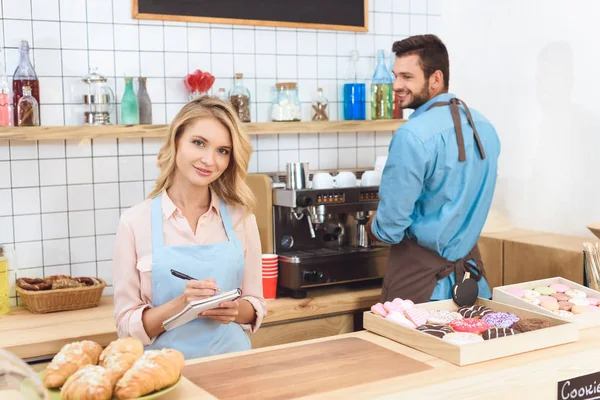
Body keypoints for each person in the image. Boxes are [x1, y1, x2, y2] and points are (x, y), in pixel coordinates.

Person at [112, 96, 266, 359]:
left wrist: (235, 310)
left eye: (222, 151)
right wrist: (182, 305)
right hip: (164, 374)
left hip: (234, 365)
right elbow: (126, 327)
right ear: (176, 141)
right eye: (199, 143)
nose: (209, 160)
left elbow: (255, 305)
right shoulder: (134, 222)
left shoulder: (242, 219)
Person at [367, 34, 501, 304]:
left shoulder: (411, 136)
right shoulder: (485, 127)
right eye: (395, 76)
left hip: (420, 291)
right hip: (473, 284)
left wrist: (373, 226)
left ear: (436, 79)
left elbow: (391, 227)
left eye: (407, 77)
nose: (396, 85)